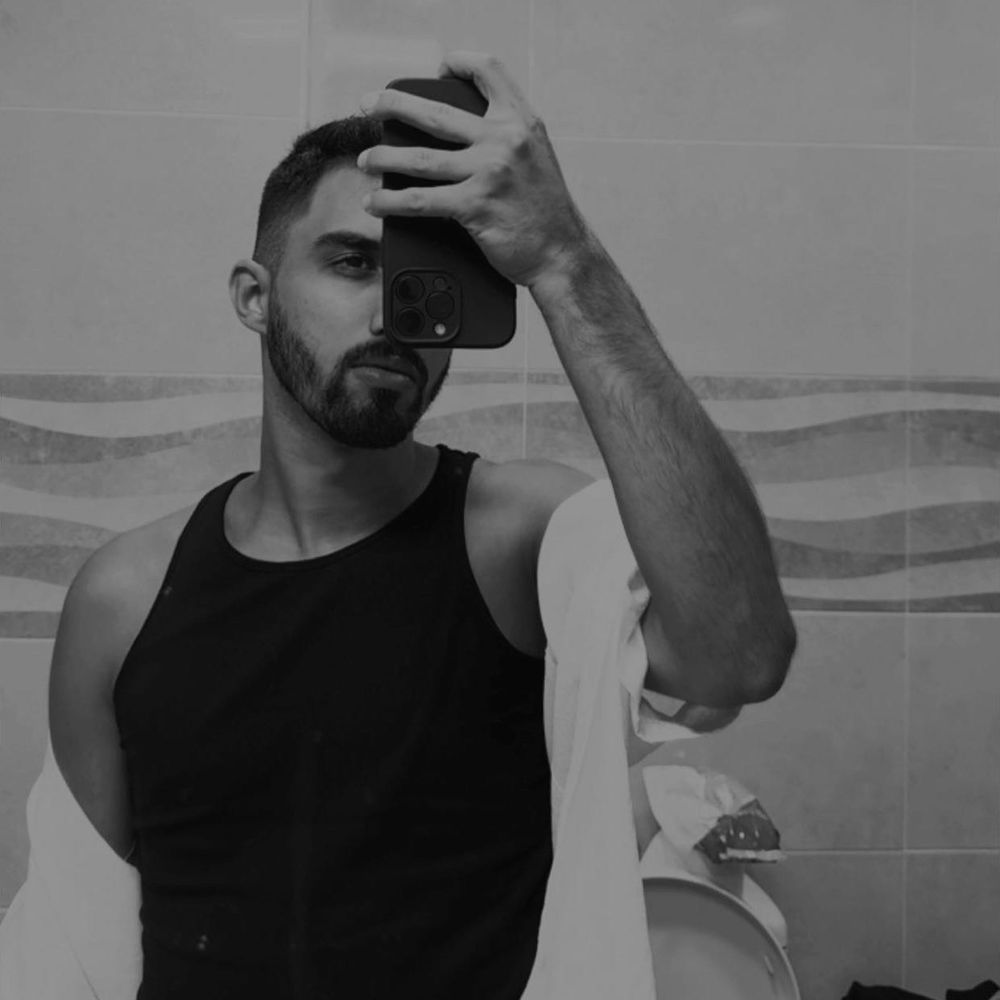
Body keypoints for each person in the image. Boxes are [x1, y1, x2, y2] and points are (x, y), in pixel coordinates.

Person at [42, 51, 796, 999]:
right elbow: (78, 938)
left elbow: (739, 657)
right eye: (353, 263)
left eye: (430, 278)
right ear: (254, 296)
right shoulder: (122, 599)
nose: (397, 315)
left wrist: (565, 260)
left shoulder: (517, 539)